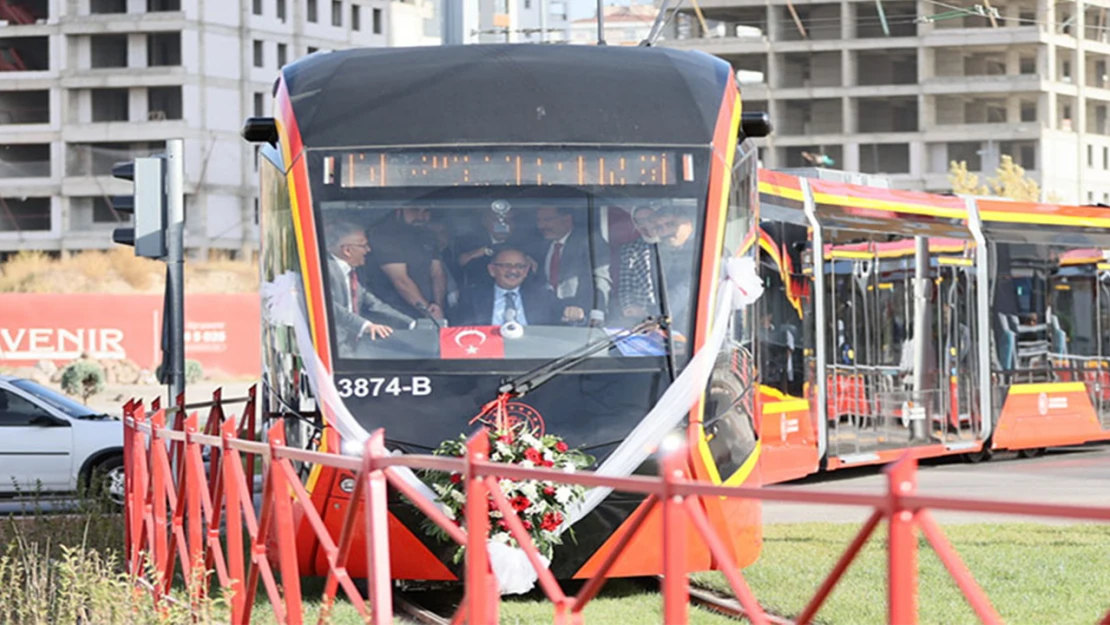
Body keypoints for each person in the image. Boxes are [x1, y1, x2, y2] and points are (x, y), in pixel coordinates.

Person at [324, 220, 416, 348]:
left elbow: (374, 305)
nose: (368, 250)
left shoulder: (352, 273)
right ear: (347, 250)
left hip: (352, 346)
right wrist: (366, 326)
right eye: (364, 245)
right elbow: (329, 307)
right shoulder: (326, 270)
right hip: (334, 348)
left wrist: (411, 324)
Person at [452, 247, 584, 326]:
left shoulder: (542, 296)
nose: (513, 271)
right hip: (488, 359)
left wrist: (576, 314)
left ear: (526, 271)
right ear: (492, 270)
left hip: (532, 359)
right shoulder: (472, 297)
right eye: (507, 266)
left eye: (520, 266)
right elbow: (459, 329)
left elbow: (566, 319)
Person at [360, 206, 448, 323]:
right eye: (415, 210)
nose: (421, 216)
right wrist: (428, 311)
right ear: (398, 211)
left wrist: (438, 307)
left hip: (431, 311)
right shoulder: (383, 236)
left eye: (425, 211)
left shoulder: (428, 236)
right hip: (394, 314)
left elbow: (438, 274)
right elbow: (401, 281)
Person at [535, 205, 611, 325]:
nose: (541, 226)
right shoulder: (543, 244)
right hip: (548, 316)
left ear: (567, 219)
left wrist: (597, 311)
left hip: (579, 316)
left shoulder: (589, 241)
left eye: (547, 220)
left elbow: (600, 278)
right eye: (539, 221)